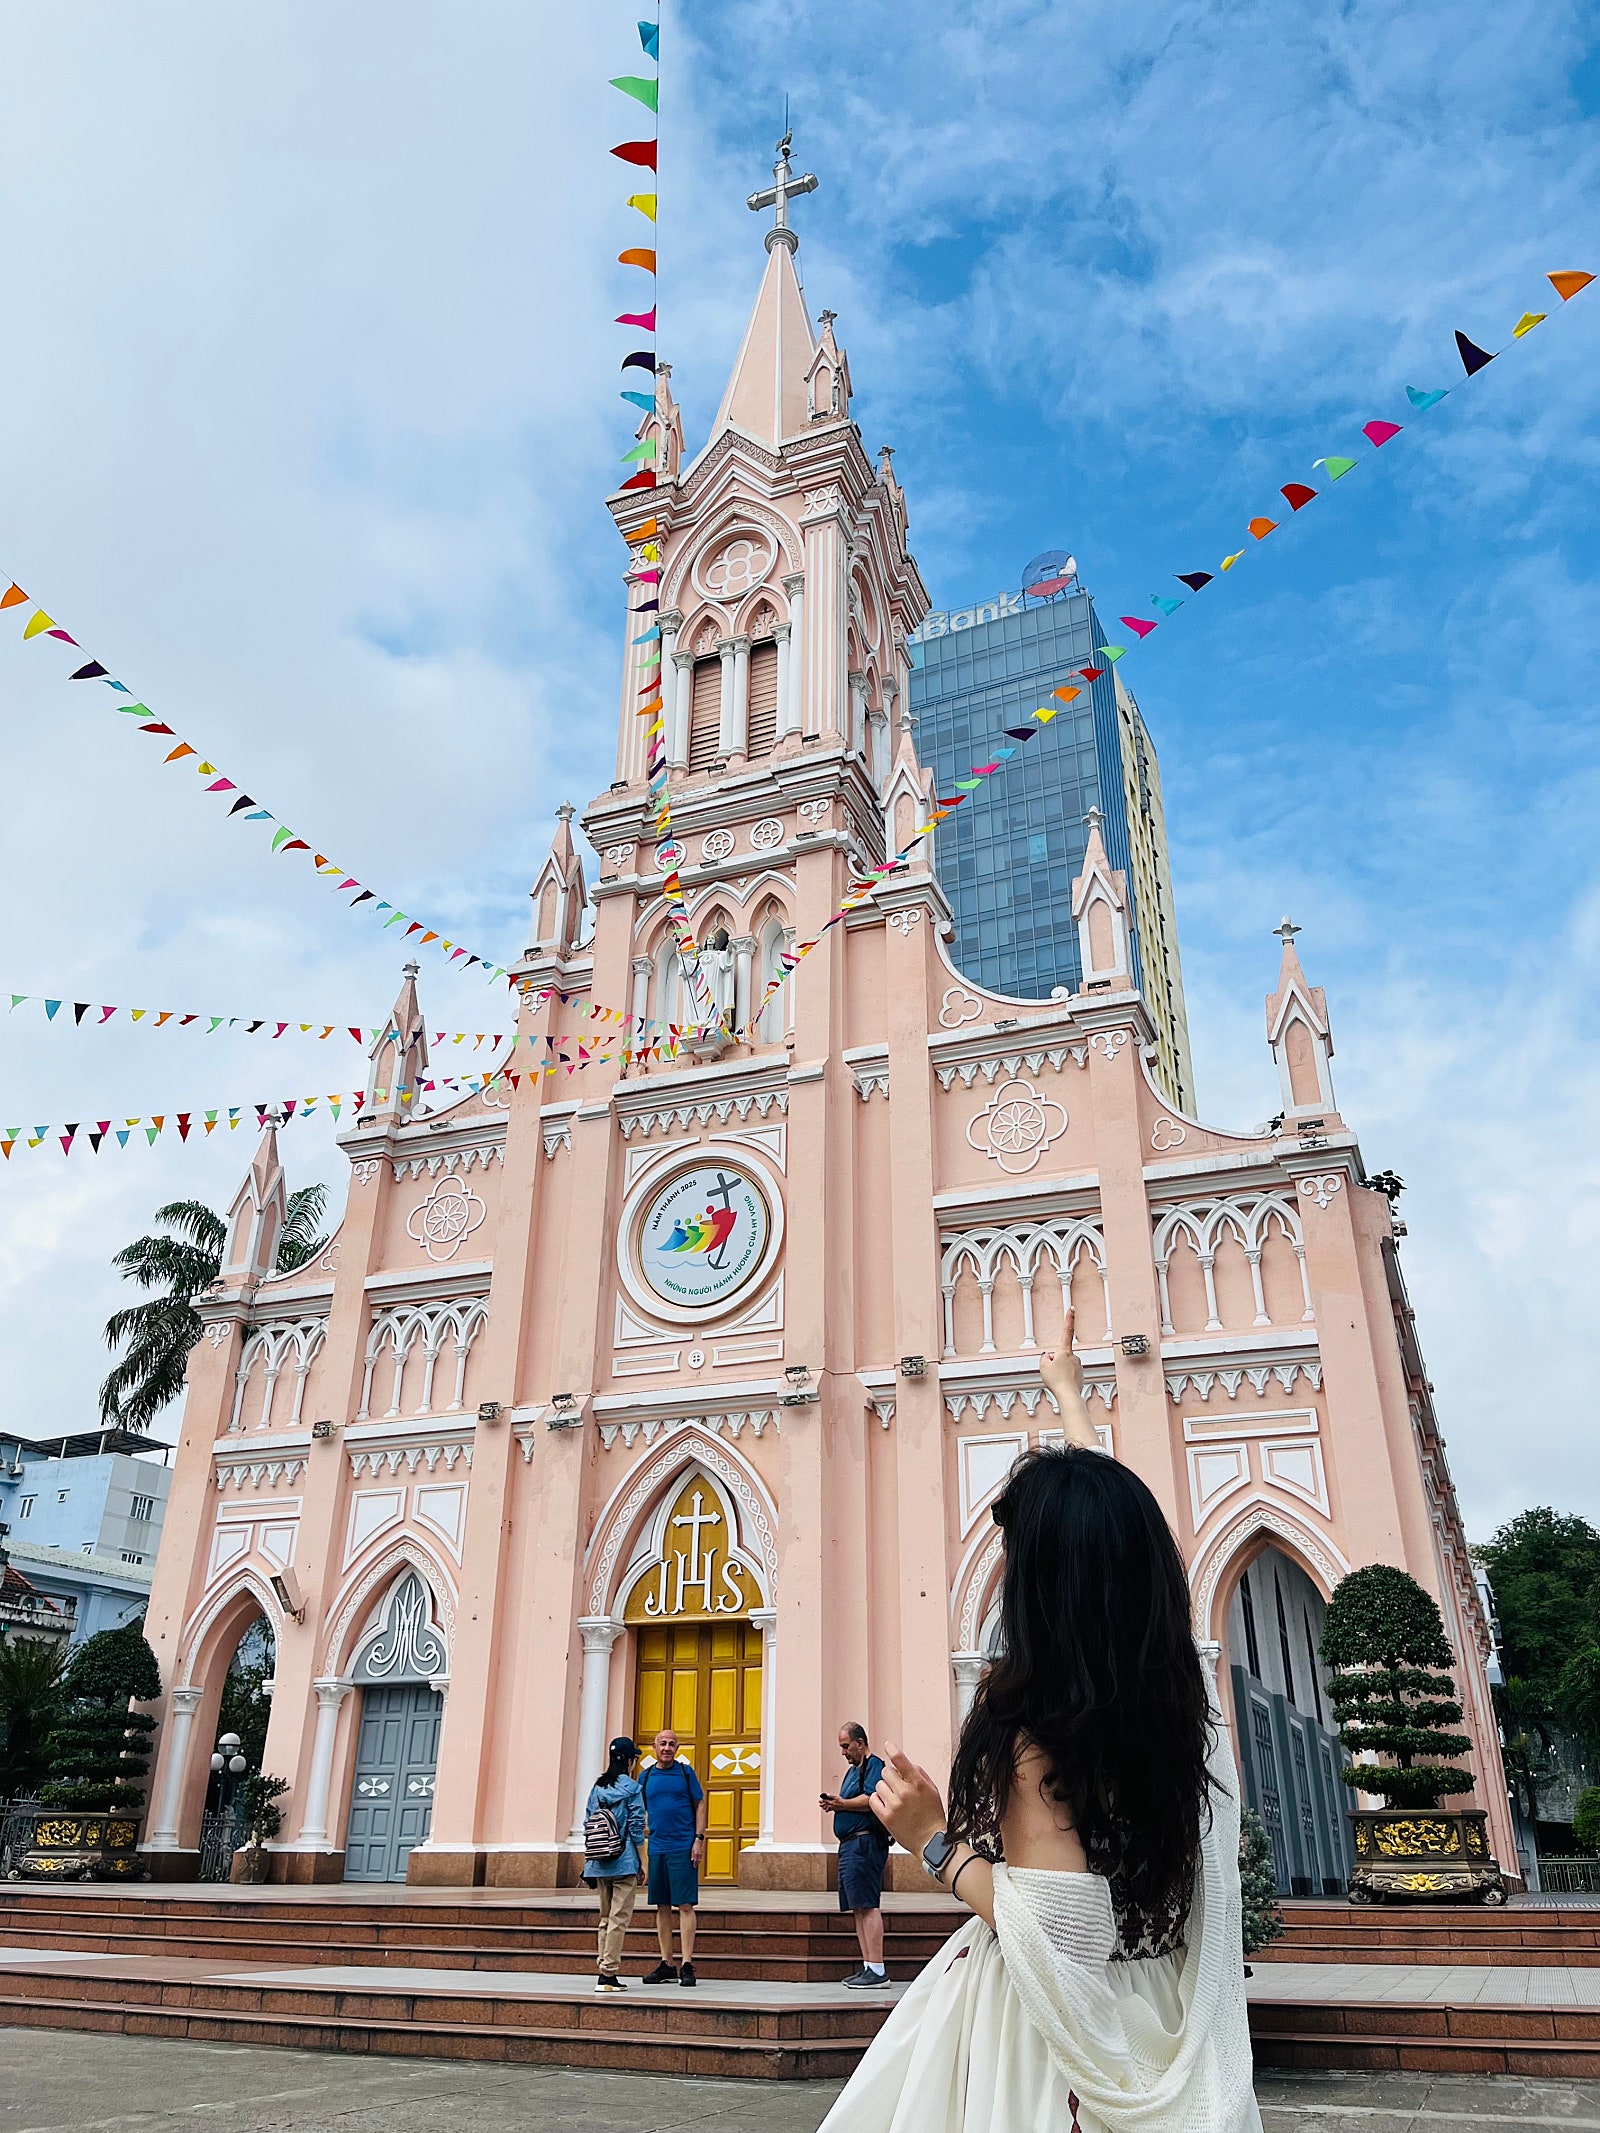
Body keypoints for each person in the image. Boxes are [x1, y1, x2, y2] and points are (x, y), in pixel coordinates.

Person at [820, 1307, 1261, 2133]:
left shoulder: (1039, 1730)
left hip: (1053, 2042)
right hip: (1159, 1996)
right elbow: (1113, 1542)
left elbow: (1058, 1930)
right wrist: (1070, 1399)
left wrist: (933, 1840)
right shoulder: (1184, 1707)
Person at [820, 1722, 892, 1986]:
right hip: (850, 1845)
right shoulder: (853, 1771)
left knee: (868, 1905)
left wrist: (843, 1804)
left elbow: (872, 1798)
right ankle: (868, 1966)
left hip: (865, 1845)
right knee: (858, 1907)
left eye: (846, 1746)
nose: (843, 1752)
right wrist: (836, 1805)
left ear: (860, 1743)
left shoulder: (875, 1767)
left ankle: (878, 1969)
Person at [639, 1728, 707, 1987]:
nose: (667, 1748)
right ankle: (667, 1963)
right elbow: (639, 1808)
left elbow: (700, 1804)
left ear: (677, 1748)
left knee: (685, 1905)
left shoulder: (684, 1773)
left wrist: (698, 1840)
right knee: (662, 1906)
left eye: (672, 1744)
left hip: (682, 1847)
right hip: (657, 1848)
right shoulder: (645, 1777)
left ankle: (687, 1963)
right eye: (663, 1743)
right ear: (654, 1747)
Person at [581, 1735, 645, 1994]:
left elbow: (588, 1823)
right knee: (619, 1918)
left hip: (598, 1861)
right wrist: (643, 1862)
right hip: (624, 1860)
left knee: (605, 1919)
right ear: (630, 1761)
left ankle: (603, 1970)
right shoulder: (632, 1789)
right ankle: (608, 1974)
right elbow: (636, 1827)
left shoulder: (598, 1788)